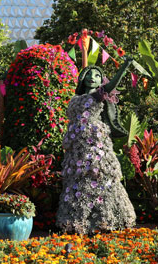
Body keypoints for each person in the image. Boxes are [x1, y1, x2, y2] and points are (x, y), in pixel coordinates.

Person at [56, 59, 136, 234]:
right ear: (82, 78)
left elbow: (113, 83)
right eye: (89, 74)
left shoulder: (99, 94)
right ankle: (77, 220)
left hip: (93, 141)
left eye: (98, 75)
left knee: (98, 174)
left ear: (102, 81)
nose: (93, 77)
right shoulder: (75, 99)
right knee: (77, 176)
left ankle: (105, 219)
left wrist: (124, 66)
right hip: (76, 141)